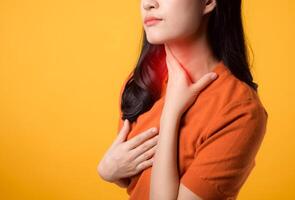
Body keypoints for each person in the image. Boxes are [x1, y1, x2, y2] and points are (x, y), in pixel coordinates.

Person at [97, 0, 268, 199]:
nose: (148, 4)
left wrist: (171, 112)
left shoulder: (240, 109)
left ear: (208, 2)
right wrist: (109, 170)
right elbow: (134, 177)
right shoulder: (140, 83)